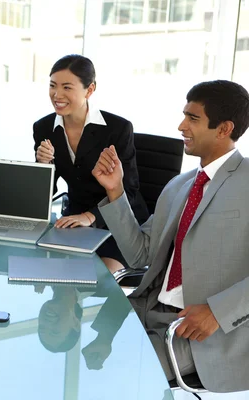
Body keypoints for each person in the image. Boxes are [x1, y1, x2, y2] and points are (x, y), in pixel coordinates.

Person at [92, 80, 249, 393]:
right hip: (147, 312)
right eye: (184, 116)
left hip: (201, 334)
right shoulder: (178, 186)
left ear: (223, 128)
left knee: (118, 379)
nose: (181, 126)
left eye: (193, 119)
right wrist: (116, 191)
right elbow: (141, 256)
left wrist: (219, 312)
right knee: (83, 356)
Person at [33, 54, 148, 273]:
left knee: (100, 277)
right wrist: (43, 165)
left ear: (90, 90)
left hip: (120, 223)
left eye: (67, 87)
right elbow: (44, 192)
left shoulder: (117, 128)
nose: (57, 95)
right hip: (74, 220)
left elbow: (130, 190)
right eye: (52, 86)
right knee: (57, 274)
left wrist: (90, 216)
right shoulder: (44, 127)